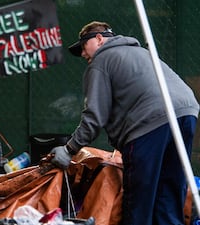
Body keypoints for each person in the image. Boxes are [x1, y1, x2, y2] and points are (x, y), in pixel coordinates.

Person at [50, 21, 199, 225]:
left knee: (140, 197)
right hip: (187, 112)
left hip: (149, 121)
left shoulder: (101, 61)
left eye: (83, 47)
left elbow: (95, 117)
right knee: (170, 192)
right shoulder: (142, 53)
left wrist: (69, 149)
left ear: (99, 39)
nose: (83, 54)